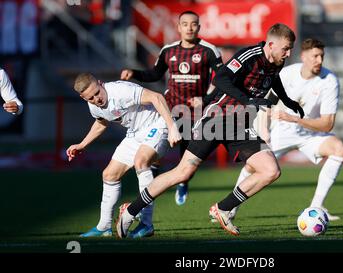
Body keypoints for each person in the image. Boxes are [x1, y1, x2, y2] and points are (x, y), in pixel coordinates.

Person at [116, 23, 304, 238]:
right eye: (286, 49)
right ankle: (130, 211)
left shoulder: (276, 62)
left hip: (240, 125)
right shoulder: (249, 55)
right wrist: (248, 99)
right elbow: (220, 79)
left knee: (271, 170)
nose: (288, 54)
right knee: (182, 172)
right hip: (217, 119)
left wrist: (287, 100)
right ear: (271, 44)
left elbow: (273, 79)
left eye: (290, 49)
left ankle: (223, 208)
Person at [228, 38, 343, 221]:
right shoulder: (287, 73)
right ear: (304, 56)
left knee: (339, 149)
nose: (319, 61)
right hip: (281, 132)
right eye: (315, 56)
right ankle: (230, 208)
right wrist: (263, 130)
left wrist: (294, 119)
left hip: (311, 134)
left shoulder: (329, 80)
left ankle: (316, 206)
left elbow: (327, 124)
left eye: (322, 56)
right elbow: (268, 103)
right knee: (252, 165)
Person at [120, 10, 223, 206]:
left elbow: (222, 79)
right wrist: (134, 73)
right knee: (156, 150)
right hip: (170, 109)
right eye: (185, 24)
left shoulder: (209, 50)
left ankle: (183, 182)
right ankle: (150, 190)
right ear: (178, 27)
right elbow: (155, 74)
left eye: (193, 24)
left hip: (195, 113)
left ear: (199, 27)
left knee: (187, 160)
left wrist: (206, 99)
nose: (189, 28)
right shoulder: (168, 51)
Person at [66, 73, 181, 238]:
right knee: (109, 175)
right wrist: (82, 145)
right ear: (83, 98)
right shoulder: (93, 105)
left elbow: (157, 97)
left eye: (97, 92)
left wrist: (172, 127)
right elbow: (101, 122)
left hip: (157, 124)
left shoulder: (121, 90)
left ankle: (146, 224)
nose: (97, 99)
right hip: (134, 134)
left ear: (101, 82)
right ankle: (104, 227)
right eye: (90, 98)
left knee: (141, 161)